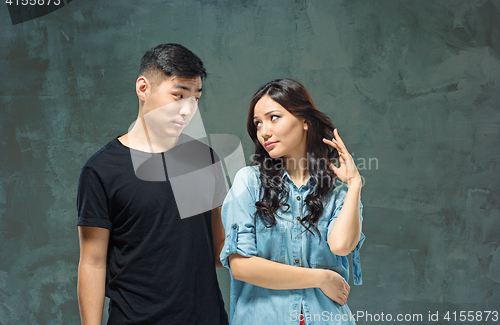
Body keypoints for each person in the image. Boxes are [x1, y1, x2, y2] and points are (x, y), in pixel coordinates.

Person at [76, 43, 229, 325]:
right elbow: (93, 262)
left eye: (195, 98)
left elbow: (221, 250)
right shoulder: (102, 170)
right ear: (143, 88)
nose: (188, 109)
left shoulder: (205, 159)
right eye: (178, 95)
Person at [220, 78, 365, 325]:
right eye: (258, 123)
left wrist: (354, 185)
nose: (264, 131)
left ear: (305, 122)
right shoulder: (249, 182)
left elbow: (341, 245)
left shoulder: (337, 190)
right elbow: (242, 267)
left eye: (273, 117)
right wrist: (321, 278)